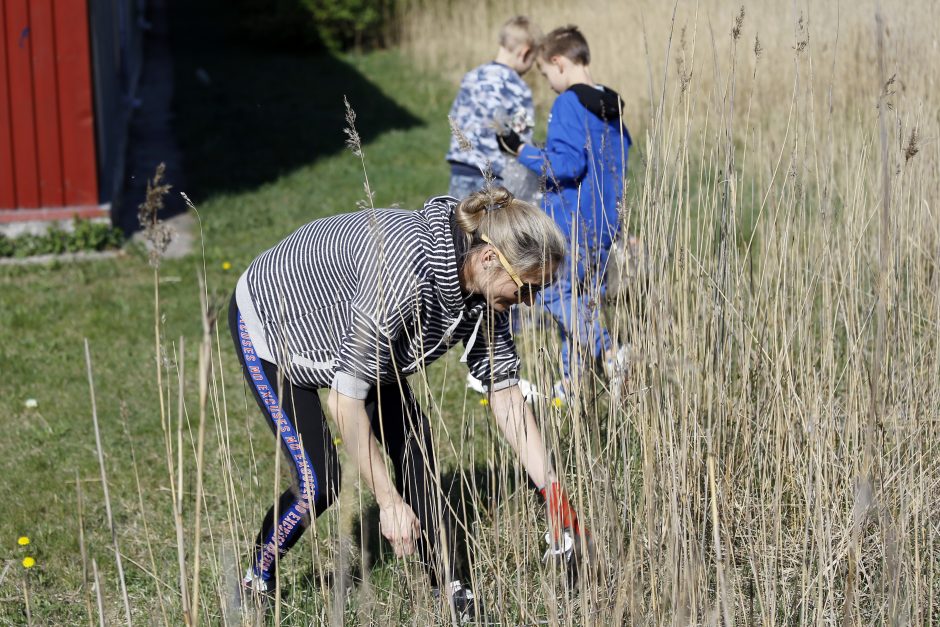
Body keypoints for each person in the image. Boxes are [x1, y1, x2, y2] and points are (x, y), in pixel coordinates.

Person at [229, 187, 591, 620]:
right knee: (317, 479)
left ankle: (451, 588)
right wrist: (388, 502)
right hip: (278, 328)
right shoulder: (403, 274)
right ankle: (256, 578)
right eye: (527, 289)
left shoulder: (485, 289)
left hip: (361, 339)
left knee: (416, 449)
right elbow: (346, 405)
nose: (529, 304)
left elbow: (506, 393)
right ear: (491, 258)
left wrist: (555, 497)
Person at [497, 25, 632, 393]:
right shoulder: (612, 113)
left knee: (555, 294)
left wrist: (520, 150)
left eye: (545, 74)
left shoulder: (569, 103)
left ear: (557, 62)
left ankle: (610, 352)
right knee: (580, 304)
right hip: (605, 224)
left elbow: (566, 165)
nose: (549, 83)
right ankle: (571, 388)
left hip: (570, 222)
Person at [445, 16, 541, 201]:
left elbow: (456, 120)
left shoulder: (472, 76)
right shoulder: (518, 89)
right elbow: (521, 140)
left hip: (461, 168)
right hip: (493, 177)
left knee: (458, 225)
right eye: (532, 61)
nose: (530, 67)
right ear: (525, 53)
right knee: (489, 230)